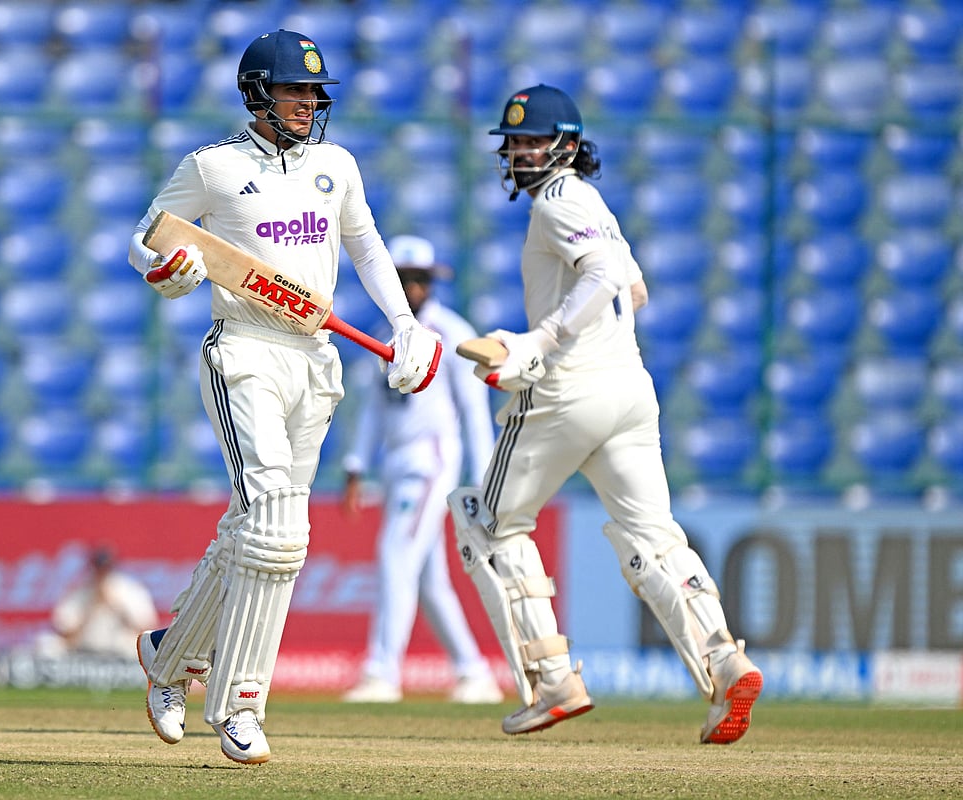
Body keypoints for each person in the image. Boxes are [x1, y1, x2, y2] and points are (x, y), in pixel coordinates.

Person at [127, 30, 441, 765]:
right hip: (243, 349)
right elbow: (146, 237)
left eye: (314, 93)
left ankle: (170, 655)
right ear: (255, 93)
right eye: (295, 90)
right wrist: (167, 266)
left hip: (314, 359)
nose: (308, 103)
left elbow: (366, 246)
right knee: (278, 528)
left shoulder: (336, 166)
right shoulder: (213, 166)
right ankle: (239, 703)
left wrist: (404, 325)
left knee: (255, 528)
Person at [446, 84, 763, 744]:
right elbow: (634, 288)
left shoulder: (558, 202)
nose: (525, 152)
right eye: (516, 143)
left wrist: (541, 340)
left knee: (487, 522)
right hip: (629, 389)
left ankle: (552, 680)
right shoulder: (594, 205)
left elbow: (598, 276)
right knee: (652, 537)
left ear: (568, 144)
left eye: (536, 140)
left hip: (567, 391)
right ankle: (723, 659)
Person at [339, 235, 503, 706]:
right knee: (429, 579)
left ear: (432, 282)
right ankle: (473, 674)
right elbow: (372, 410)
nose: (412, 288)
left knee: (395, 554)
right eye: (404, 278)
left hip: (431, 459)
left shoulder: (451, 333)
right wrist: (355, 466)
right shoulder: (383, 335)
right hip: (395, 462)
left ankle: (381, 671)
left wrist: (487, 476)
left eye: (420, 279)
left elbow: (474, 411)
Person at [38, 545, 158, 660]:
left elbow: (146, 629)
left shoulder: (129, 590)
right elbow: (66, 633)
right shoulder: (80, 591)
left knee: (141, 649)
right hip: (83, 649)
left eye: (105, 567)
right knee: (46, 645)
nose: (102, 572)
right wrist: (92, 605)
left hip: (120, 650)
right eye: (99, 567)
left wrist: (113, 604)